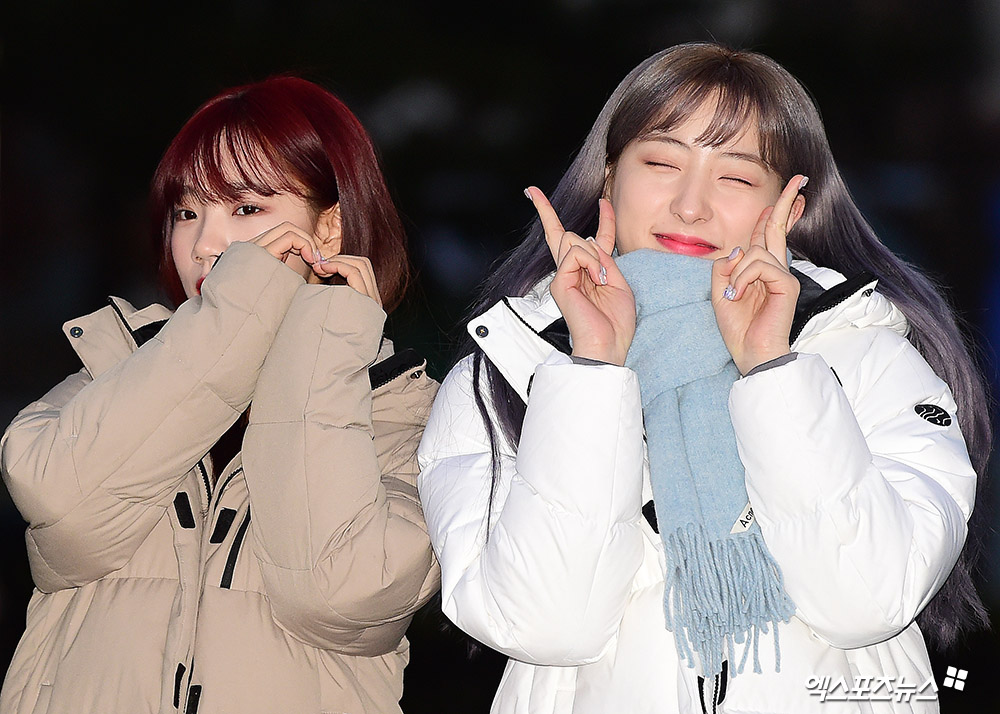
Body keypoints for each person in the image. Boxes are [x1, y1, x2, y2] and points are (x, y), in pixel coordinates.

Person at [417, 42, 990, 713]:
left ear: (791, 208)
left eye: (736, 178)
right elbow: (545, 624)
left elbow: (866, 600)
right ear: (609, 179)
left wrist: (773, 370)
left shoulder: (871, 360)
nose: (691, 206)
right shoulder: (501, 377)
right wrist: (591, 369)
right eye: (662, 164)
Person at [0, 76, 440, 714]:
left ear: (330, 228)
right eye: (187, 213)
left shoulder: (405, 418)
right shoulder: (108, 369)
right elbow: (59, 508)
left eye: (246, 208)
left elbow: (340, 596)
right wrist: (233, 317)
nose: (203, 244)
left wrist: (326, 341)